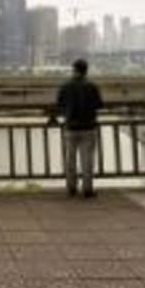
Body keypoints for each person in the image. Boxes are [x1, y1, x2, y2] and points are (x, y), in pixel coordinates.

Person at [56, 59, 103, 198]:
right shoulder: (92, 86)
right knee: (87, 159)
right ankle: (87, 189)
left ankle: (71, 187)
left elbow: (60, 104)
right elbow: (99, 104)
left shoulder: (65, 86)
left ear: (74, 69)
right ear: (86, 70)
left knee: (70, 159)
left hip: (71, 126)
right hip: (88, 126)